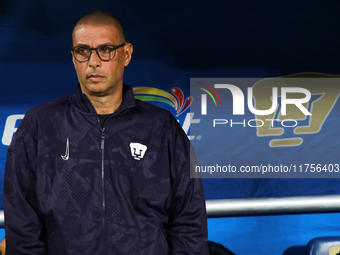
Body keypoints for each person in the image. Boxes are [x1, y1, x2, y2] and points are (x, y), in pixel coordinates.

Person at [3, 11, 209, 254]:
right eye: (83, 51)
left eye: (106, 49)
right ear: (73, 57)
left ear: (127, 54)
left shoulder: (162, 128)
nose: (93, 61)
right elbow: (21, 224)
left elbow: (189, 223)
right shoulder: (40, 124)